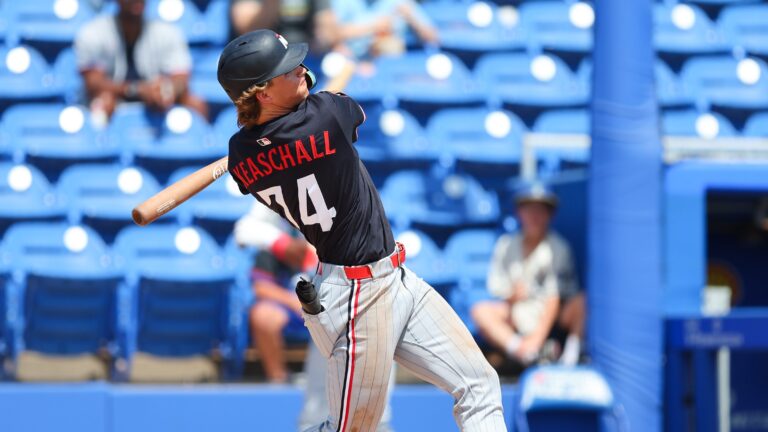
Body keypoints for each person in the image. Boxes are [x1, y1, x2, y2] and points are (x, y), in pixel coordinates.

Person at [219, 30, 506, 431]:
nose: (302, 69)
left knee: (479, 384)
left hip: (392, 279)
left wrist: (269, 119)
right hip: (356, 296)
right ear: (262, 93)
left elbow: (264, 139)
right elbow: (347, 110)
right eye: (288, 70)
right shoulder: (328, 115)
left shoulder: (241, 158)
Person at [235, 203, 397, 431]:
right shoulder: (282, 229)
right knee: (318, 407)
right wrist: (284, 245)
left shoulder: (356, 217)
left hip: (350, 304)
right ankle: (281, 382)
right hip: (310, 311)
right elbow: (244, 230)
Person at [471, 183, 586, 366]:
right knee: (481, 311)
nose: (534, 217)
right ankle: (522, 353)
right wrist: (513, 296)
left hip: (553, 321)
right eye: (529, 210)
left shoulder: (559, 248)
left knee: (583, 301)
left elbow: (553, 299)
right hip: (517, 316)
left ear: (550, 215)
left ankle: (569, 357)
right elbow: (498, 289)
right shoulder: (506, 244)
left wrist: (537, 339)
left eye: (540, 211)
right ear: (519, 213)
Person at [74, 0, 208, 121]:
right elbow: (93, 83)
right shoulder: (93, 32)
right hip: (115, 101)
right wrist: (137, 90)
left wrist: (166, 90)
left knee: (194, 103)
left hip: (157, 102)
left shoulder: (168, 32)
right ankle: (100, 145)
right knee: (102, 102)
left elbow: (181, 78)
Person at [229, 0, 340, 72]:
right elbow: (248, 33)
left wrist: (324, 33)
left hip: (305, 55)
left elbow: (330, 33)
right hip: (265, 58)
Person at [332, 0, 439, 59]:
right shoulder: (343, 2)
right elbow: (331, 35)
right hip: (353, 61)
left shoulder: (401, 2)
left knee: (391, 45)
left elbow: (433, 38)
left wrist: (412, 17)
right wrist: (373, 26)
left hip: (390, 62)